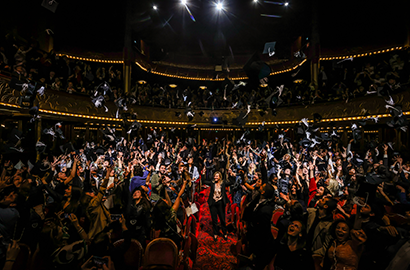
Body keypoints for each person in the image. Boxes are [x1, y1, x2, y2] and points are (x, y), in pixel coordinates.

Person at [203, 171, 234, 242]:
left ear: (220, 177)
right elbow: (204, 181)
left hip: (220, 203)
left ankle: (224, 233)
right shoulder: (212, 183)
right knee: (214, 220)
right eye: (214, 176)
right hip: (213, 203)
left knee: (222, 219)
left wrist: (231, 174)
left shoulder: (223, 183)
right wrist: (203, 174)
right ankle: (215, 233)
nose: (215, 177)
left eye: (217, 176)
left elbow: (231, 182)